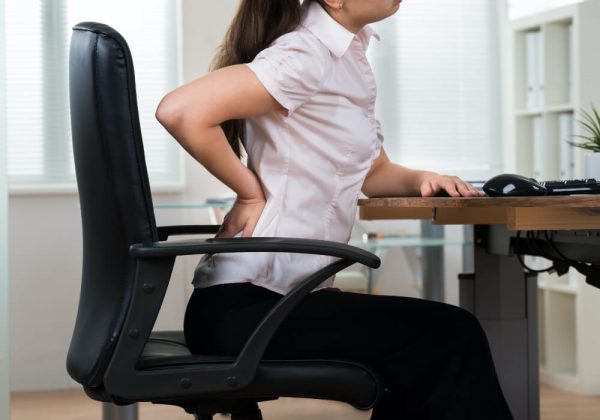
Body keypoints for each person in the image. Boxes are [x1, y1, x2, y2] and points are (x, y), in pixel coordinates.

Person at [156, 0, 513, 419]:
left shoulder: (346, 54)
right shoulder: (305, 52)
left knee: (426, 353)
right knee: (452, 335)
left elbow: (373, 172)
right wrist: (249, 193)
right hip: (250, 309)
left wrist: (421, 178)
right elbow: (180, 111)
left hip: (275, 302)